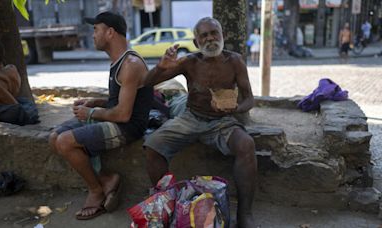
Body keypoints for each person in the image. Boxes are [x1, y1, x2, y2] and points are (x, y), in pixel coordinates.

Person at [144, 17, 257, 228]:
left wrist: (235, 109)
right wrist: (160, 67)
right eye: (204, 35)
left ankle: (245, 214)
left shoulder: (235, 61)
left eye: (214, 33)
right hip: (191, 117)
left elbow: (249, 99)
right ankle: (165, 205)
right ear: (196, 42)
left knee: (246, 145)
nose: (210, 38)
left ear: (222, 36)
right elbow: (147, 82)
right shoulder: (190, 61)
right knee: (152, 145)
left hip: (222, 121)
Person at [48, 12, 153, 220]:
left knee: (65, 141)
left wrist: (92, 113)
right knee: (54, 138)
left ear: (110, 32)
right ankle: (106, 180)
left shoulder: (131, 64)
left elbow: (123, 114)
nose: (93, 35)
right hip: (116, 118)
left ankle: (95, 191)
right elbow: (119, 101)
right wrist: (96, 102)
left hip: (127, 127)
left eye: (96, 29)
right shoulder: (118, 61)